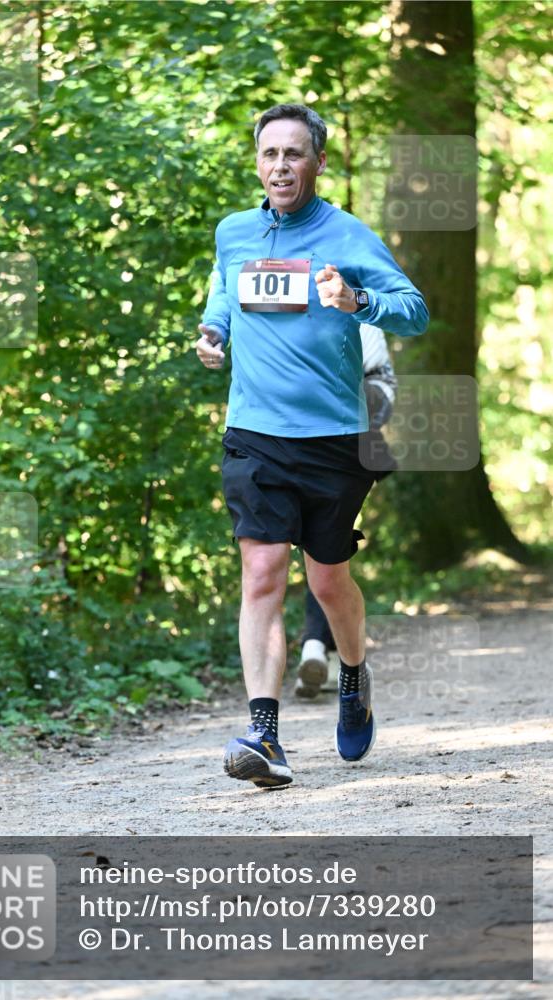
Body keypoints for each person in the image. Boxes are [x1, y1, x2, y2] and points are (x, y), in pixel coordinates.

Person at [195, 103, 428, 789]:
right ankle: (264, 735)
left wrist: (358, 301)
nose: (280, 166)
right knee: (262, 571)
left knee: (327, 580)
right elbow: (224, 287)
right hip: (254, 433)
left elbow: (413, 310)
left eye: (294, 154)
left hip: (332, 438)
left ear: (318, 162)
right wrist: (214, 331)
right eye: (269, 154)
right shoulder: (234, 232)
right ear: (257, 162)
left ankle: (353, 675)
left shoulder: (346, 234)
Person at [296, 323, 398, 698]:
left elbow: (378, 387)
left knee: (321, 550)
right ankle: (320, 648)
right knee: (321, 552)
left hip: (339, 445)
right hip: (295, 442)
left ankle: (316, 646)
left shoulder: (359, 310)